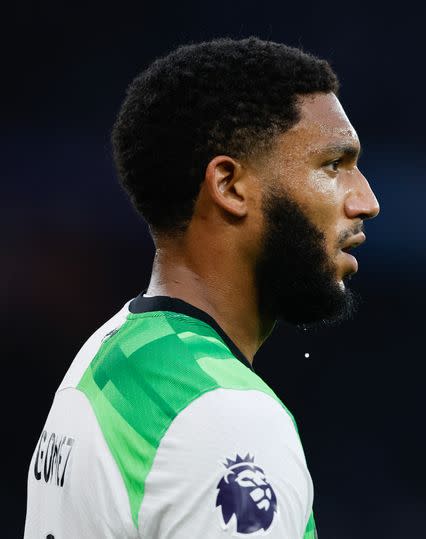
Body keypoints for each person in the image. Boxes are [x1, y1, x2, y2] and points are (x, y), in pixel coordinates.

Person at [24, 37, 380, 539]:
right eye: (333, 165)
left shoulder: (110, 352)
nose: (366, 201)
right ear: (230, 186)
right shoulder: (224, 418)